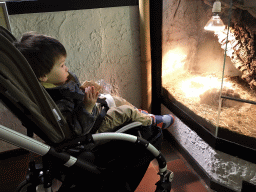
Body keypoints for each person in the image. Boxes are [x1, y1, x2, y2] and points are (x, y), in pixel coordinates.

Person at [14, 32, 175, 137]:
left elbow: (71, 95)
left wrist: (81, 88)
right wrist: (87, 107)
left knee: (115, 100)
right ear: (43, 76)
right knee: (124, 111)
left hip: (91, 116)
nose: (67, 68)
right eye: (62, 65)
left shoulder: (53, 85)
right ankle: (153, 122)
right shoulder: (55, 101)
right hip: (91, 128)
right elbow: (77, 128)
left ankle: (140, 115)